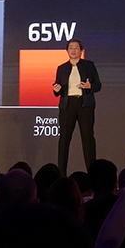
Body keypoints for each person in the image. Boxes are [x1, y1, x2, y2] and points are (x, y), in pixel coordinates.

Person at [52, 38, 102, 175]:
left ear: (81, 51)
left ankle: (92, 174)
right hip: (67, 105)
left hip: (85, 104)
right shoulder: (61, 68)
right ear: (67, 51)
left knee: (88, 138)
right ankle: (62, 174)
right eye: (71, 48)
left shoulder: (89, 65)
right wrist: (56, 90)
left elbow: (98, 85)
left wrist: (90, 86)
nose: (73, 50)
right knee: (64, 139)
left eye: (76, 48)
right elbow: (58, 89)